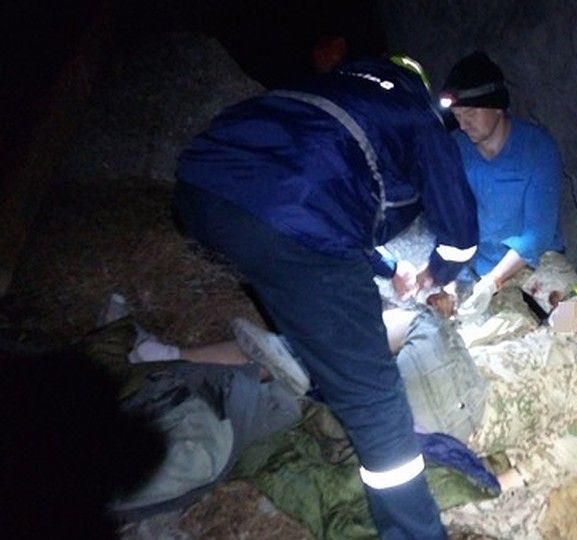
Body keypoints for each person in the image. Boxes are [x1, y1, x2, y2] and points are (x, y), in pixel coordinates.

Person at [173, 52, 478, 539]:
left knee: (295, 286)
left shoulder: (330, 92)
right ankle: (414, 531)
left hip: (201, 190)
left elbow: (332, 187)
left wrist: (389, 267)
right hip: (289, 219)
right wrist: (435, 274)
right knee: (375, 401)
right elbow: (460, 234)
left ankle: (306, 360)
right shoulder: (415, 115)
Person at [436, 51, 566, 318]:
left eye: (471, 112)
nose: (463, 124)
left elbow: (537, 234)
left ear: (497, 106)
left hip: (537, 263)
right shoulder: (454, 150)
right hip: (478, 268)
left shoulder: (537, 147)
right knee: (457, 326)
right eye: (458, 115)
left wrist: (493, 281)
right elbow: (452, 225)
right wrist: (449, 283)